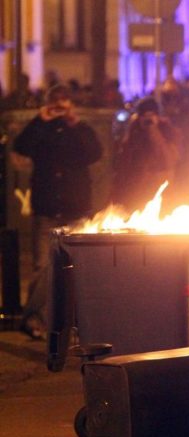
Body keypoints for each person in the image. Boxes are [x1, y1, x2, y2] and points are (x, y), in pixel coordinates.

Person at [13, 84, 103, 338]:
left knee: (78, 268)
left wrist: (75, 124)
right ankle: (34, 319)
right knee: (42, 267)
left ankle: (76, 320)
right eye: (55, 102)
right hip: (47, 208)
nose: (60, 108)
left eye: (64, 102)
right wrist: (40, 120)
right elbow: (22, 146)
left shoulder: (80, 129)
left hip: (76, 208)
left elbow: (94, 153)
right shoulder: (41, 128)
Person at [111, 97, 181, 213]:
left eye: (151, 115)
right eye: (144, 116)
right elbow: (123, 164)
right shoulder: (133, 133)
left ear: (157, 116)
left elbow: (167, 159)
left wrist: (153, 131)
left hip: (159, 190)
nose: (148, 119)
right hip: (135, 191)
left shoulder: (168, 132)